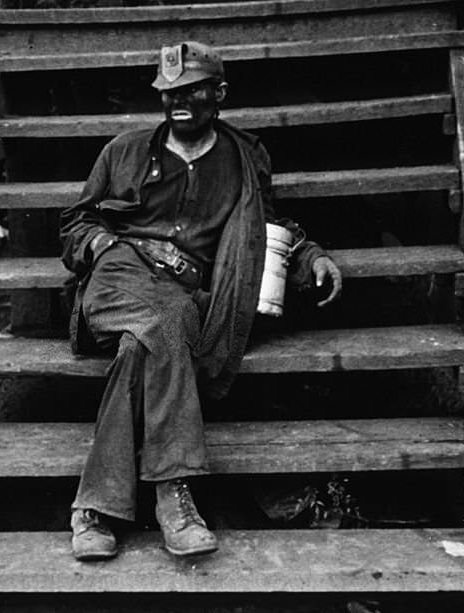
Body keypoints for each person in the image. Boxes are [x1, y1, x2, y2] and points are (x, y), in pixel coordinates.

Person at [60, 41, 342, 561]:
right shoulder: (123, 151)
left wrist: (310, 256)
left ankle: (94, 510)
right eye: (169, 93)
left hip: (187, 291)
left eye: (192, 90)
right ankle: (174, 496)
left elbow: (265, 229)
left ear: (220, 94)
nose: (179, 101)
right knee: (168, 322)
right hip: (120, 274)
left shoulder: (244, 157)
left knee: (141, 346)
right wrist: (101, 245)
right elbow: (76, 223)